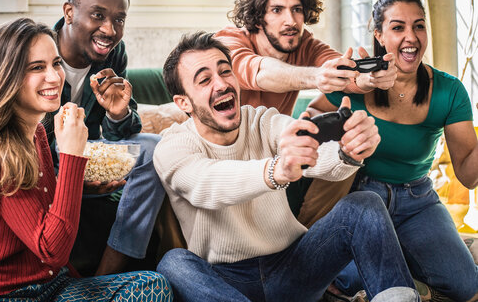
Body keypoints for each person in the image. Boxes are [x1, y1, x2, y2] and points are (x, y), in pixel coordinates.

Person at [153, 31, 419, 301]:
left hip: (294, 267)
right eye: (205, 80)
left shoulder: (262, 121)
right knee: (173, 263)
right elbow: (207, 184)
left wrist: (349, 151)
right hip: (225, 282)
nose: (221, 84)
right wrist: (277, 170)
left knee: (364, 205)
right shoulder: (172, 147)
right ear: (183, 102)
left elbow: (315, 152)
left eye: (225, 72)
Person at [0, 18, 172, 301]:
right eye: (37, 67)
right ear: (5, 76)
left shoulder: (35, 131)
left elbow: (40, 207)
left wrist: (78, 186)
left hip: (51, 287)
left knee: (152, 285)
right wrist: (72, 153)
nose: (54, 76)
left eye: (56, 63)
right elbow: (52, 249)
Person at [308, 0, 478, 301]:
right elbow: (309, 124)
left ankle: (409, 250)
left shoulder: (449, 90)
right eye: (398, 28)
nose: (411, 38)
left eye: (419, 26)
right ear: (379, 35)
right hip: (361, 198)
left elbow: (469, 176)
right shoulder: (354, 80)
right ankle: (402, 257)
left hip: (418, 200)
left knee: (464, 284)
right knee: (347, 280)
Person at [214, 0, 398, 226]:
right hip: (229, 158)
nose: (290, 21)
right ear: (257, 18)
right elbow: (260, 73)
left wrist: (369, 79)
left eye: (297, 9)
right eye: (277, 10)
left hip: (278, 152)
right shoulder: (229, 41)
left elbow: (342, 69)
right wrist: (315, 77)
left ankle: (307, 236)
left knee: (348, 153)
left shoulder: (305, 43)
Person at [48, 0, 166, 275]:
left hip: (89, 155)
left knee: (156, 150)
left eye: (119, 19)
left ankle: (108, 273)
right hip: (46, 160)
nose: (110, 30)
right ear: (70, 12)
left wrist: (117, 112)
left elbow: (120, 136)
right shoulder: (37, 49)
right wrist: (72, 165)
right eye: (98, 15)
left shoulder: (115, 53)